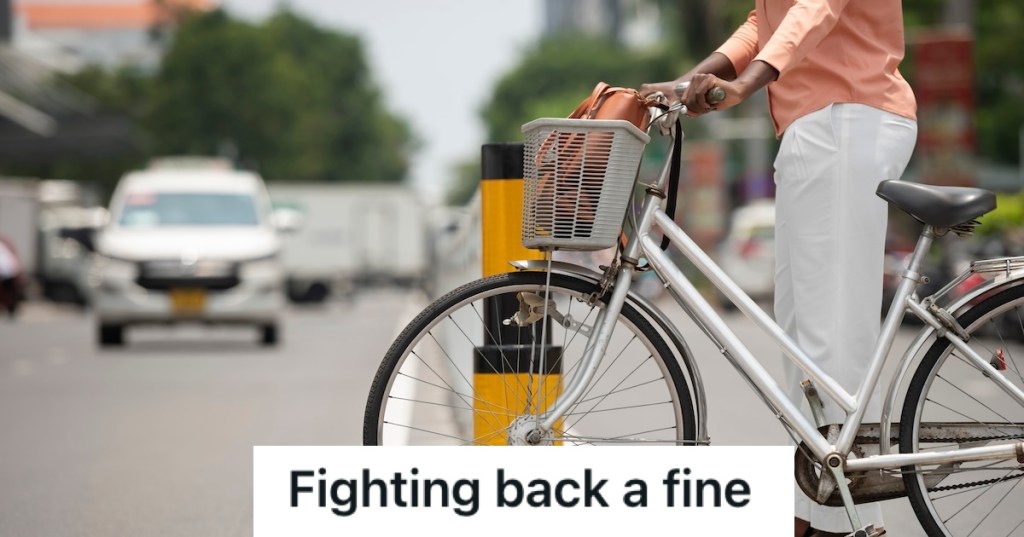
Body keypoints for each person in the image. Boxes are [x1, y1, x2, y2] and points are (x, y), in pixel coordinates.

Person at [641, 2, 917, 536]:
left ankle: (844, 520)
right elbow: (761, 21)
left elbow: (816, 8)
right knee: (800, 343)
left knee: (829, 336)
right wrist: (695, 77)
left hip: (847, 117)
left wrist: (745, 84)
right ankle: (817, 514)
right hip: (816, 129)